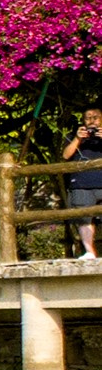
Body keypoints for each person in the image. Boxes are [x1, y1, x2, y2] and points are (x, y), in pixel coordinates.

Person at [65, 108, 102, 258]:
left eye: (96, 117)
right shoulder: (75, 136)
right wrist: (77, 139)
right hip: (81, 183)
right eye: (88, 118)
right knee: (84, 218)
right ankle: (89, 252)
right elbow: (66, 155)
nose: (92, 120)